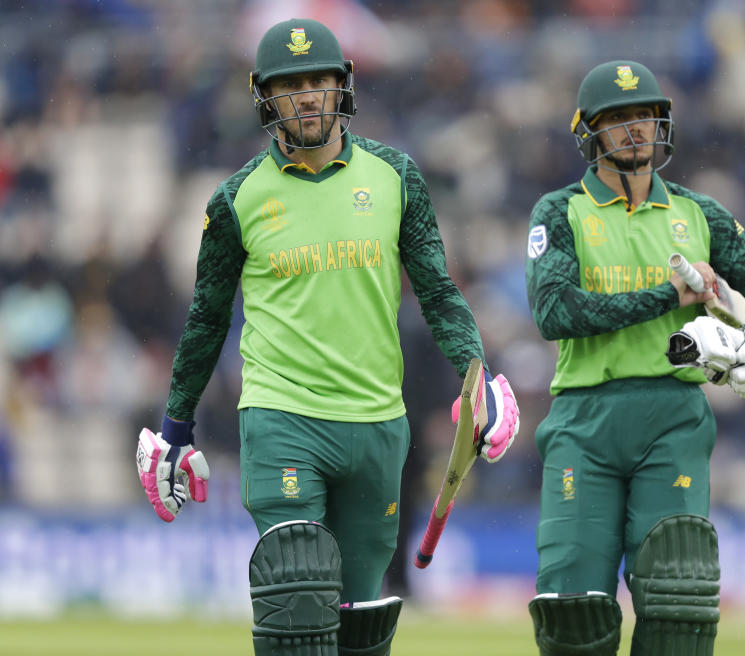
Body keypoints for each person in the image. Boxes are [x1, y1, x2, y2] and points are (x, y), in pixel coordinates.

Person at [134, 19, 519, 656]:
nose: (308, 96)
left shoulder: (396, 176)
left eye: (319, 81)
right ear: (264, 98)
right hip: (282, 417)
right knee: (297, 587)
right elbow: (206, 321)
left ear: (342, 88)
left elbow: (439, 292)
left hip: (377, 422)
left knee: (361, 622)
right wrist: (176, 424)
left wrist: (479, 374)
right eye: (292, 86)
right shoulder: (235, 201)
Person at [524, 60, 745, 656]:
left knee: (680, 602)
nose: (634, 129)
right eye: (617, 119)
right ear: (589, 132)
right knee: (573, 611)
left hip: (673, 418)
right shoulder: (559, 211)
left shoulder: (699, 214)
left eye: (644, 115)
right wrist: (667, 296)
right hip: (584, 421)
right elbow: (555, 312)